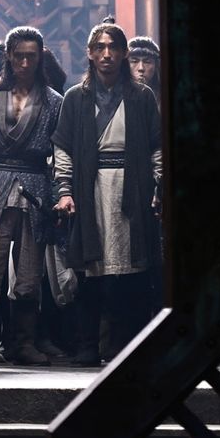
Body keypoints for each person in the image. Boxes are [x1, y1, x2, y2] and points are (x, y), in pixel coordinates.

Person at [52, 18, 162, 367]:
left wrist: (158, 187)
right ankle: (87, 345)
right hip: (91, 189)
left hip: (133, 188)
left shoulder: (141, 97)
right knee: (90, 270)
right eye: (99, 47)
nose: (107, 54)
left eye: (113, 47)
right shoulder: (76, 97)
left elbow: (157, 148)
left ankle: (124, 346)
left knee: (132, 272)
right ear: (89, 53)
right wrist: (65, 190)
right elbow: (63, 149)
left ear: (124, 53)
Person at [0, 27, 64, 367]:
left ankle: (23, 342)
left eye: (31, 56)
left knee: (29, 273)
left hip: (35, 185)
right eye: (19, 56)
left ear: (40, 57)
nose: (24, 63)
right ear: (8, 56)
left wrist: (60, 193)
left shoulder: (53, 101)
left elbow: (60, 153)